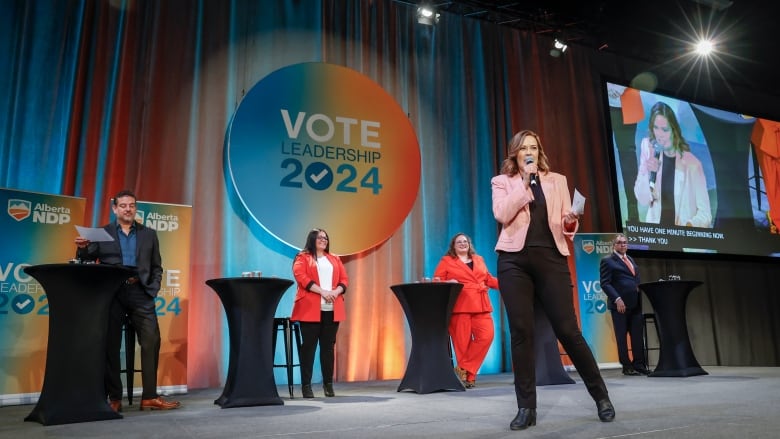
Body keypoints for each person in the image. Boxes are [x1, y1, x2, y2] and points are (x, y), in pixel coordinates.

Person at [491, 130, 614, 431]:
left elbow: (564, 224)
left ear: (539, 151)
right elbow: (502, 214)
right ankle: (526, 409)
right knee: (521, 332)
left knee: (569, 331)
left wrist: (571, 220)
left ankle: (602, 398)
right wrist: (524, 184)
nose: (529, 152)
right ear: (515, 153)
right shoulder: (502, 182)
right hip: (513, 261)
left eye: (533, 148)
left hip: (551, 258)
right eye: (523, 149)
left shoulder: (557, 180)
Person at [75, 189, 180, 412]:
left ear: (136, 208)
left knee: (152, 340)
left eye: (131, 205)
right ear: (115, 209)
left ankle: (149, 397)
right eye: (123, 205)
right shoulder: (101, 232)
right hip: (112, 293)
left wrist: (153, 288)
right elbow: (85, 257)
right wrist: (83, 247)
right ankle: (114, 398)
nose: (128, 209)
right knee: (111, 345)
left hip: (141, 292)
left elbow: (157, 266)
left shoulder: (149, 234)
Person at [433, 233, 499, 389]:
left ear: (469, 244)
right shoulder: (447, 261)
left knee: (486, 336)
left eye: (465, 241)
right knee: (462, 344)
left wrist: (510, 283)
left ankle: (463, 369)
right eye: (459, 242)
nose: (463, 244)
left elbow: (488, 279)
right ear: (453, 246)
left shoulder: (479, 259)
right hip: (460, 306)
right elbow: (437, 280)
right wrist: (448, 281)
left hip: (481, 305)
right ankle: (469, 378)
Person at [291, 228, 349, 398]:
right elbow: (300, 277)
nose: (324, 240)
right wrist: (323, 292)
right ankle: (306, 386)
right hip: (310, 311)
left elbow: (344, 280)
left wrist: (336, 292)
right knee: (308, 348)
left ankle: (328, 385)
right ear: (312, 239)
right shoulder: (302, 257)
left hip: (332, 310)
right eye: (320, 237)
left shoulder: (334, 259)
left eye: (326, 237)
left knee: (328, 349)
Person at [634, 101, 712, 227]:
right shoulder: (649, 148)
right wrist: (647, 174)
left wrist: (688, 227)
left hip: (683, 238)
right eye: (656, 128)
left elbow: (705, 214)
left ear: (674, 130)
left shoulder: (692, 165)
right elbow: (642, 200)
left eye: (665, 130)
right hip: (656, 235)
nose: (659, 135)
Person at [599, 234, 650, 376]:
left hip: (635, 304)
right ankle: (627, 366)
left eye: (625, 242)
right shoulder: (607, 261)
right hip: (620, 306)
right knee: (622, 337)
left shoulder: (631, 259)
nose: (623, 245)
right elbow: (605, 283)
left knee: (637, 336)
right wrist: (617, 299)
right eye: (620, 243)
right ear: (614, 245)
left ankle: (639, 365)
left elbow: (635, 279)